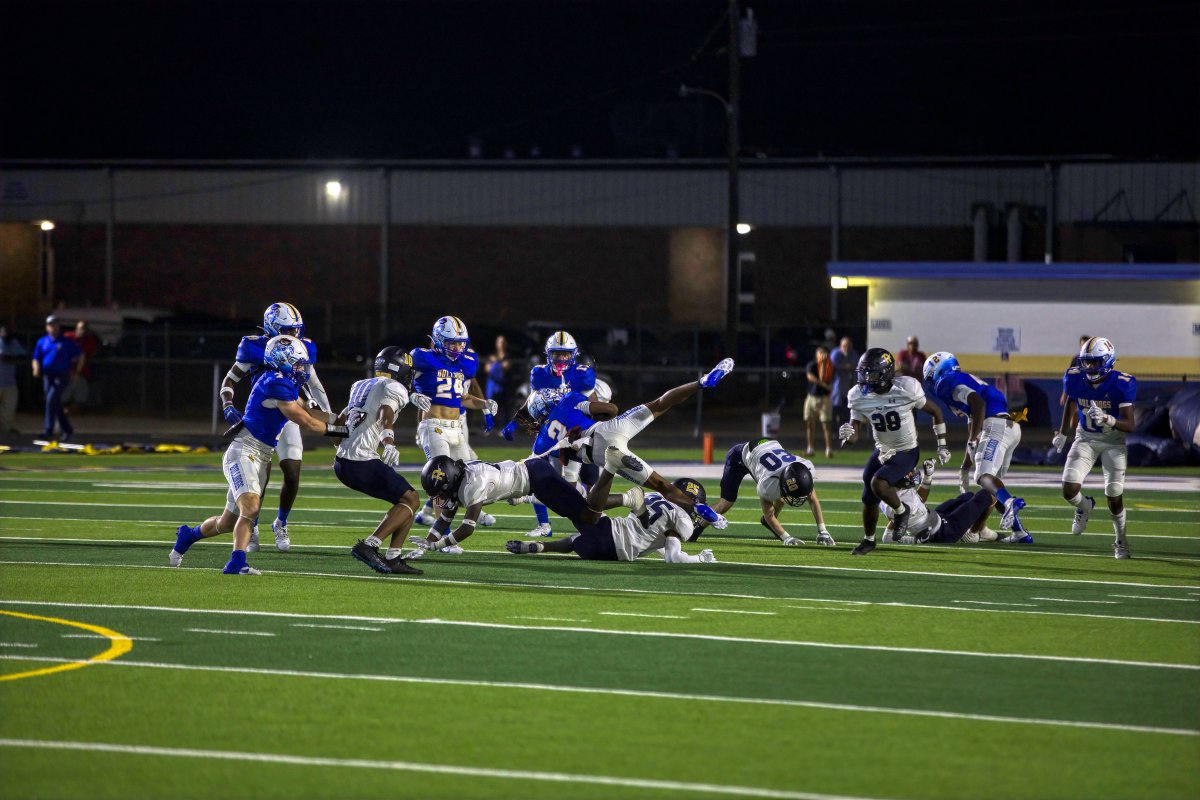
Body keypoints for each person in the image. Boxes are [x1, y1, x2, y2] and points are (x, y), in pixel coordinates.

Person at [169, 335, 348, 575]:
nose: (303, 368)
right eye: (298, 363)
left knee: (227, 522)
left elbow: (309, 410)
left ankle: (187, 535)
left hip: (261, 455)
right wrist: (341, 431)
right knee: (251, 508)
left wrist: (340, 419)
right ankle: (236, 562)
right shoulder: (275, 384)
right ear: (283, 361)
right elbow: (306, 421)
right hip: (244, 451)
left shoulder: (284, 381)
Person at [218, 302, 332, 552]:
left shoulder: (302, 347)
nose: (294, 335)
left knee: (292, 473)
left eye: (296, 329)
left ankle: (281, 522)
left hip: (289, 410)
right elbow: (230, 379)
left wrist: (330, 415)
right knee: (260, 478)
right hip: (264, 415)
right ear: (271, 328)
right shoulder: (253, 347)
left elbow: (315, 384)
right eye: (287, 330)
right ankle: (252, 524)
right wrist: (227, 403)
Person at [838, 347, 950, 556]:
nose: (865, 378)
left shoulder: (906, 388)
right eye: (863, 373)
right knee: (868, 496)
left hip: (906, 451)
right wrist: (847, 435)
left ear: (885, 373)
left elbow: (935, 411)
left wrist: (942, 444)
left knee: (878, 484)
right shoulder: (858, 395)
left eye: (870, 373)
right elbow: (854, 435)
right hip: (882, 451)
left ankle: (901, 511)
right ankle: (869, 540)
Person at [336, 346, 425, 576]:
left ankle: (393, 558)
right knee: (412, 499)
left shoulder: (360, 384)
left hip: (342, 462)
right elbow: (386, 413)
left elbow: (340, 421)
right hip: (362, 461)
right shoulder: (396, 387)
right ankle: (370, 545)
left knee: (407, 500)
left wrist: (341, 445)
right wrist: (389, 443)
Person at [408, 316, 499, 543]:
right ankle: (443, 536)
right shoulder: (422, 357)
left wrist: (484, 405)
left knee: (471, 475)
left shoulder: (466, 362)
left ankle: (457, 522)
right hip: (433, 426)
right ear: (439, 340)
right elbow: (398, 380)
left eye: (460, 343)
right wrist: (412, 395)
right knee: (441, 480)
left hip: (456, 428)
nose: (457, 348)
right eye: (452, 343)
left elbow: (464, 397)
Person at [922, 351, 1029, 542]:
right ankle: (1019, 532)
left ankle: (1010, 503)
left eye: (931, 377)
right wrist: (965, 465)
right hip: (1009, 427)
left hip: (995, 427)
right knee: (993, 488)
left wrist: (972, 440)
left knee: (983, 476)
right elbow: (974, 417)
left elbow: (977, 403)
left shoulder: (947, 383)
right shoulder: (967, 380)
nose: (932, 383)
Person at [505, 471, 717, 565]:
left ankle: (529, 497)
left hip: (604, 534)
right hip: (608, 553)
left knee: (578, 503)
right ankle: (540, 547)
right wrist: (699, 558)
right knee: (575, 535)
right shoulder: (683, 521)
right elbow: (672, 557)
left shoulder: (654, 497)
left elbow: (656, 543)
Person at [501, 330, 596, 537]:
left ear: (573, 354)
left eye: (565, 354)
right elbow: (532, 402)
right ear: (548, 354)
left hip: (573, 434)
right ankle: (544, 526)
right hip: (547, 431)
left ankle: (589, 523)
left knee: (571, 486)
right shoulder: (539, 374)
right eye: (556, 353)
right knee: (534, 471)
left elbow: (592, 405)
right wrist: (515, 423)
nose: (560, 358)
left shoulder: (582, 375)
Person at [1053, 337, 1137, 559]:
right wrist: (1063, 433)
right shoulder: (1074, 377)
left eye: (1095, 362)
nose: (1090, 367)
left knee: (1114, 494)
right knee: (1069, 488)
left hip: (1113, 441)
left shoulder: (1122, 383)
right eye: (1087, 362)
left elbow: (1130, 424)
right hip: (1086, 438)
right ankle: (1085, 506)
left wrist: (1108, 419)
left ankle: (1121, 540)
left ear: (1108, 361)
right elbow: (1071, 401)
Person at [702, 438, 835, 546]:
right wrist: (786, 537)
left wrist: (823, 531)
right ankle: (697, 527)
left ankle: (772, 524)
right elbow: (768, 514)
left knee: (781, 497)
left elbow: (812, 498)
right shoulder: (768, 483)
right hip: (739, 456)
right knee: (726, 503)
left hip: (767, 449)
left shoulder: (805, 470)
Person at [880, 460, 999, 545]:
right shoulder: (898, 504)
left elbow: (919, 499)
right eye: (908, 472)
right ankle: (973, 534)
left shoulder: (894, 493)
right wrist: (914, 540)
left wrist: (928, 476)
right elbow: (890, 533)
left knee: (968, 496)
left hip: (934, 517)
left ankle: (980, 530)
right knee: (987, 495)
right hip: (945, 531)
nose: (912, 473)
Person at [31, 315, 81, 441]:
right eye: (51, 325)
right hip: (48, 376)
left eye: (55, 324)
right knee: (55, 403)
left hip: (62, 375)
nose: (53, 327)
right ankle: (67, 428)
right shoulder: (42, 341)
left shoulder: (67, 342)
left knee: (51, 399)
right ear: (47, 327)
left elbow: (80, 355)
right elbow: (36, 358)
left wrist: (76, 370)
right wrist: (36, 368)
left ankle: (48, 430)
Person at [63, 319, 100, 413]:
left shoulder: (89, 340)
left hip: (81, 372)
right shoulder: (68, 337)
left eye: (84, 329)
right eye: (79, 328)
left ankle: (74, 408)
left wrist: (78, 368)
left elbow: (90, 354)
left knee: (81, 393)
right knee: (64, 391)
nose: (81, 331)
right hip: (67, 371)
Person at [804, 345, 835, 457]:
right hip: (811, 397)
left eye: (824, 353)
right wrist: (823, 385)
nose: (822, 355)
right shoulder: (811, 365)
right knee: (809, 423)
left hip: (824, 398)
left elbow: (823, 378)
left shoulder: (830, 366)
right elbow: (810, 377)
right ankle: (810, 448)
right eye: (820, 353)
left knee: (826, 424)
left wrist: (823, 364)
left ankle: (828, 449)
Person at [0, 324, 26, 433]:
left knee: (8, 413)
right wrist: (10, 357)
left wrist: (9, 357)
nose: (5, 333)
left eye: (7, 331)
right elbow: (2, 356)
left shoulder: (13, 342)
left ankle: (5, 433)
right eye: (3, 331)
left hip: (10, 384)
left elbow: (23, 355)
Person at [829, 336, 859, 427]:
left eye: (848, 346)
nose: (846, 348)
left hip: (848, 389)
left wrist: (846, 366)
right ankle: (835, 430)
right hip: (836, 389)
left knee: (846, 413)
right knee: (835, 412)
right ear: (840, 345)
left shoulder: (853, 353)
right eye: (844, 346)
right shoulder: (835, 353)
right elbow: (835, 366)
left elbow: (856, 365)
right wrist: (847, 366)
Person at [484, 334, 513, 423]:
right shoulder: (492, 356)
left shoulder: (508, 356)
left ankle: (505, 425)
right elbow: (487, 368)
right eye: (499, 342)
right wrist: (500, 365)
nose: (501, 344)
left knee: (505, 406)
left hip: (504, 385)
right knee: (491, 404)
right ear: (496, 344)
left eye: (503, 342)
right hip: (493, 385)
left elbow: (507, 366)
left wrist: (495, 364)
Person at [1059, 335, 1092, 408]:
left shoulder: (1095, 360)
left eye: (1086, 345)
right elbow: (1068, 378)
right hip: (1076, 392)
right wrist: (1064, 394)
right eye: (1082, 345)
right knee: (1073, 412)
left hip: (1090, 393)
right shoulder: (1076, 359)